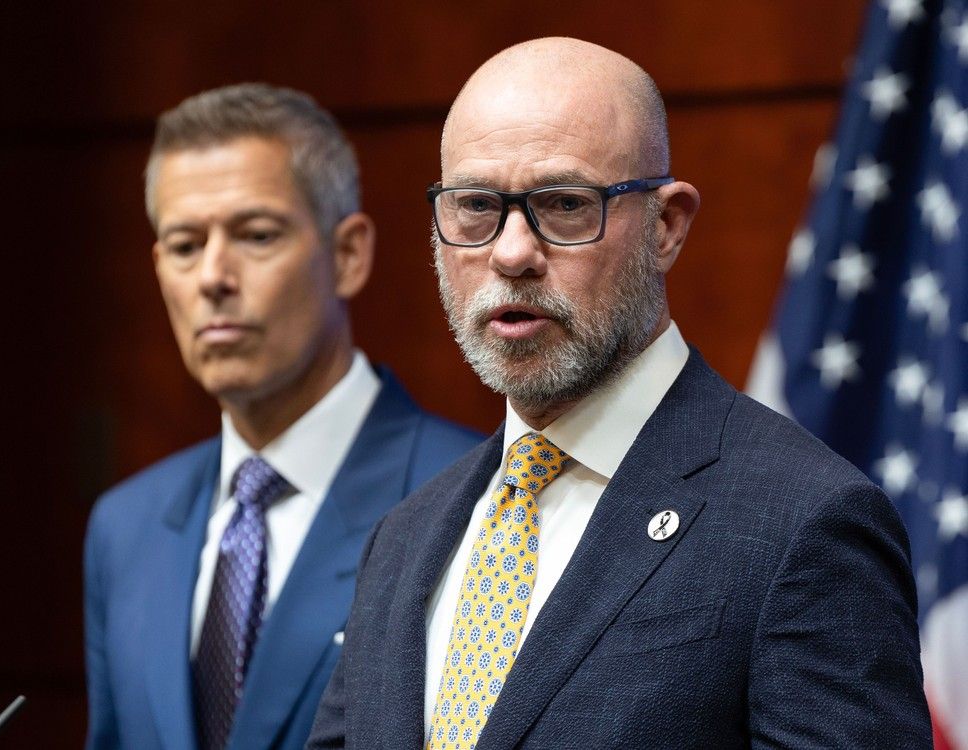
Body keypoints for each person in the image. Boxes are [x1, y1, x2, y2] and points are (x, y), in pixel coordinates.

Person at [307, 38, 933, 749]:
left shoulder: (804, 521)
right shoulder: (402, 539)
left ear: (666, 227)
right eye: (476, 206)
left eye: (565, 204)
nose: (511, 253)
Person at [83, 83, 481, 750]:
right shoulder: (125, 528)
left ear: (348, 255)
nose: (212, 276)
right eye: (184, 245)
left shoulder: (474, 495)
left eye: (256, 235)